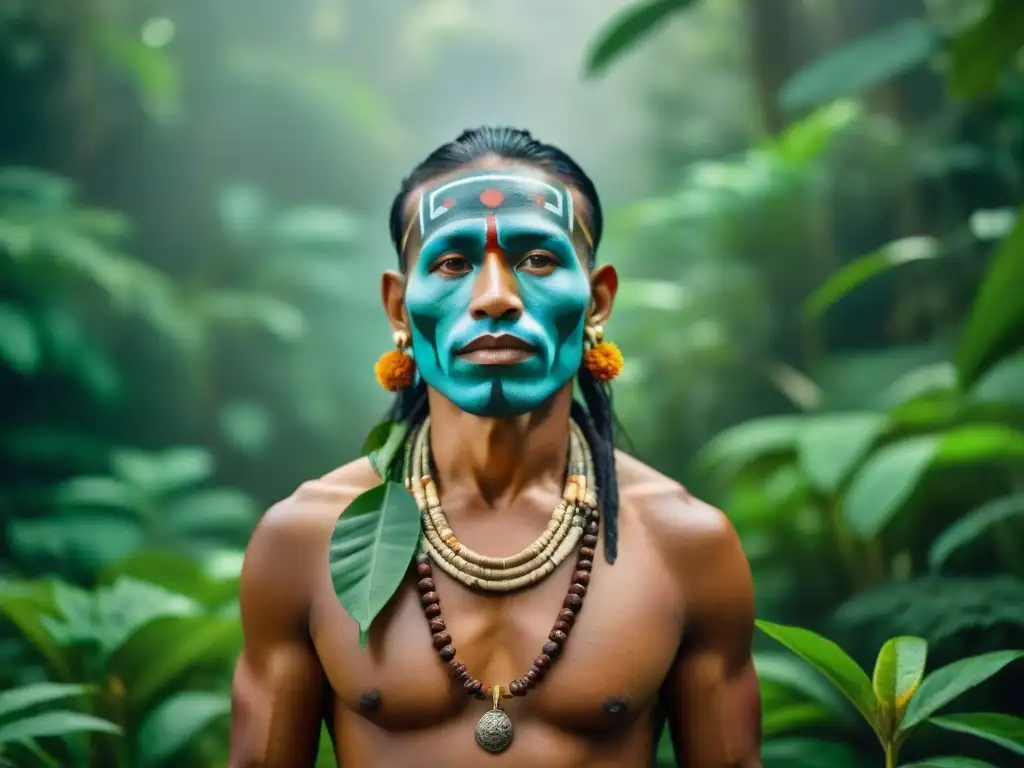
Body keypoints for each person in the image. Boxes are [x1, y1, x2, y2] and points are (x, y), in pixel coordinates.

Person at [228, 127, 762, 767]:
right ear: (400, 307)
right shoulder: (305, 539)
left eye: (538, 259)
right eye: (453, 264)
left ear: (597, 300)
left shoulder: (686, 544)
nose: (496, 297)